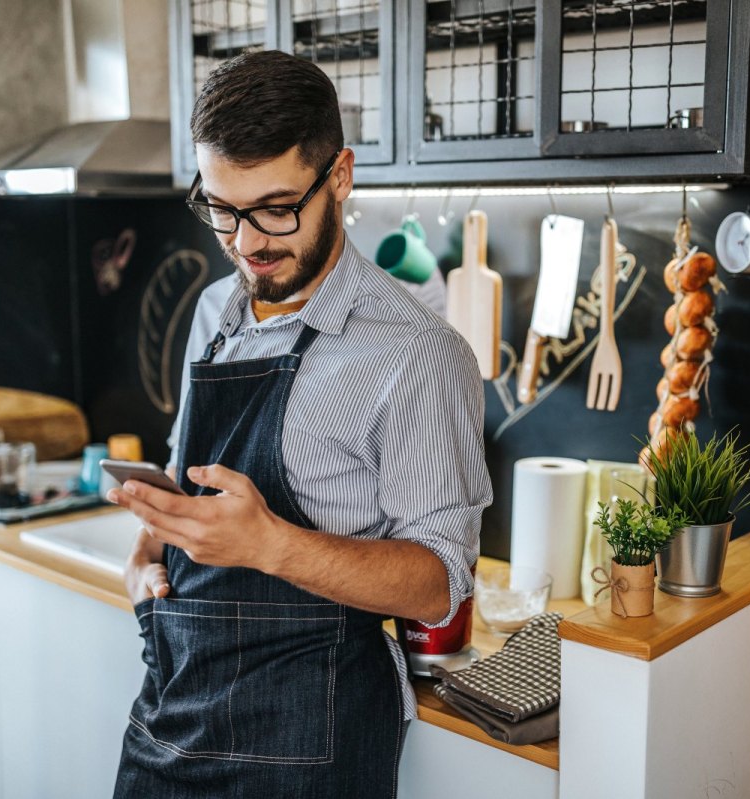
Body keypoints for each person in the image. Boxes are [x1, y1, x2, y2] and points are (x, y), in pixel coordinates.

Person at [107, 50, 491, 798]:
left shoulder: (418, 353)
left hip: (310, 747)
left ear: (339, 176)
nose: (248, 242)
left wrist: (270, 543)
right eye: (222, 208)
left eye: (277, 207)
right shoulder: (213, 311)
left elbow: (440, 582)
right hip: (169, 719)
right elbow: (194, 479)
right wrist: (150, 545)